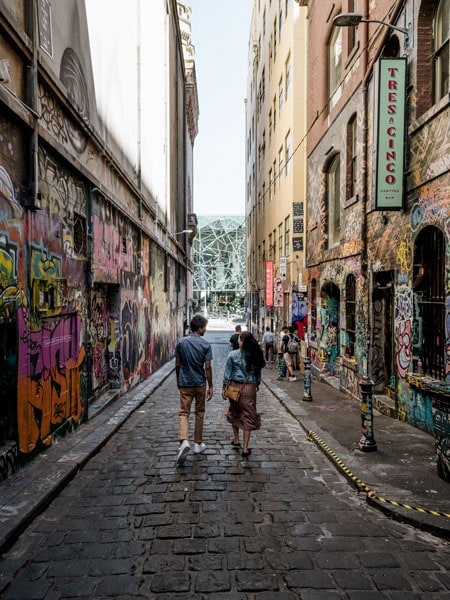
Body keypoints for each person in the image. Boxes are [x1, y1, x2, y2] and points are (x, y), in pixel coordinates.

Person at [175, 314, 213, 465]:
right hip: (200, 383)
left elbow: (177, 364)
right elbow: (208, 367)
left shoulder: (181, 343)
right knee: (199, 413)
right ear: (200, 328)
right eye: (205, 327)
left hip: (185, 382)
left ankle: (184, 440)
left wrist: (179, 379)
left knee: (184, 412)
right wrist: (211, 385)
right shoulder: (205, 345)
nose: (205, 330)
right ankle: (198, 444)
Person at [222, 330, 265, 458]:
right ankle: (245, 448)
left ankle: (236, 440)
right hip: (249, 388)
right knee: (248, 415)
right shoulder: (256, 355)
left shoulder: (232, 355)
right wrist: (256, 384)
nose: (238, 341)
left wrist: (224, 387)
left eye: (239, 339)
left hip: (234, 386)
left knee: (234, 412)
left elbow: (227, 374)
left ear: (242, 342)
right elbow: (258, 374)